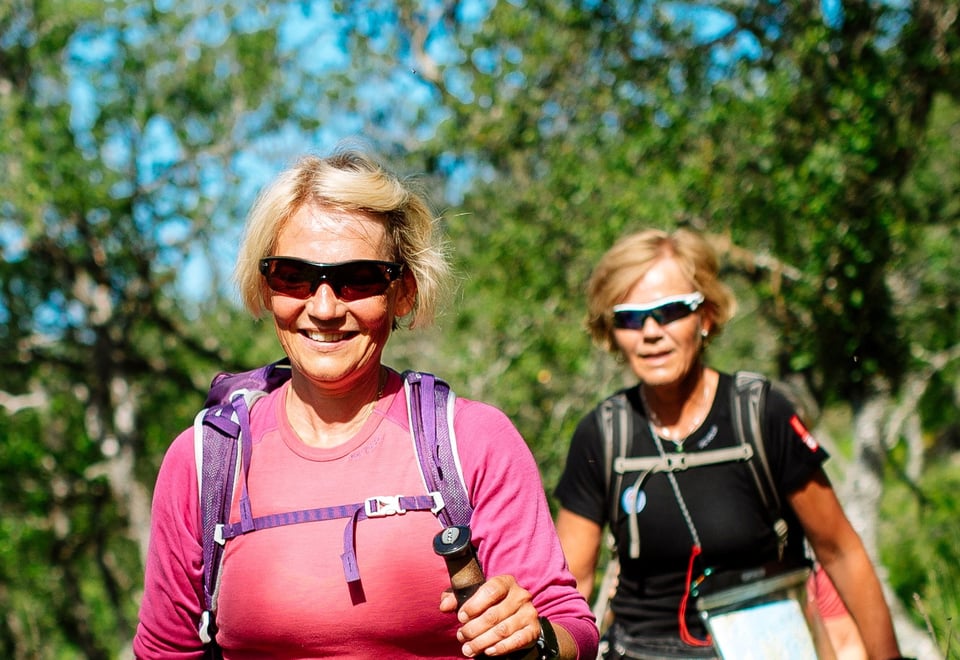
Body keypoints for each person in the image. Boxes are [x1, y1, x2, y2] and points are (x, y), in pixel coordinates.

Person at [134, 146, 598, 659]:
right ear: (266, 288)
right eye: (293, 276)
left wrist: (535, 639)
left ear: (404, 293)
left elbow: (570, 625)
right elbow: (164, 651)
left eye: (358, 279)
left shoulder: (473, 441)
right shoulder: (204, 463)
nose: (324, 308)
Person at [554, 228, 905, 659]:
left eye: (670, 311)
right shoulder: (603, 434)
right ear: (611, 331)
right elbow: (569, 588)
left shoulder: (761, 414)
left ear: (705, 317)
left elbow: (842, 553)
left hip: (772, 647)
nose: (650, 331)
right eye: (629, 317)